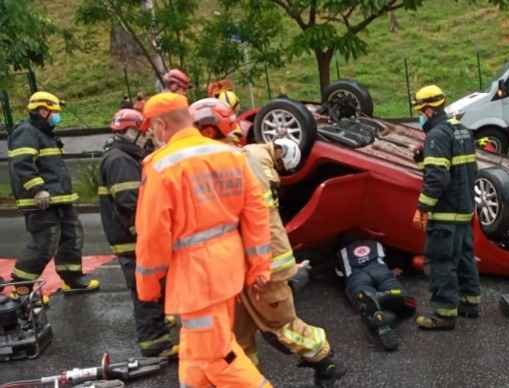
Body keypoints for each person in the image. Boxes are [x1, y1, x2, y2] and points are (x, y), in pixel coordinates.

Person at [189, 98, 346, 387]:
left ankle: (326, 360)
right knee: (238, 336)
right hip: (241, 267)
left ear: (209, 132)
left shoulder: (237, 162)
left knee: (281, 326)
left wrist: (257, 267)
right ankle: (246, 380)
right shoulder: (245, 155)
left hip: (263, 266)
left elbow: (248, 219)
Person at [135, 92, 273, 387]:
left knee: (217, 357)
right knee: (195, 354)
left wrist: (148, 285)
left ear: (161, 125)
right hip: (227, 271)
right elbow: (256, 214)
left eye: (152, 129)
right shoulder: (231, 155)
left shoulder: (161, 167)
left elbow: (152, 234)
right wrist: (259, 266)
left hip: (196, 279)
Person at [98, 109, 176, 357]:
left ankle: (158, 327)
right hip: (133, 239)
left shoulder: (121, 156)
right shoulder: (120, 160)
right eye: (143, 133)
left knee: (152, 286)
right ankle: (154, 343)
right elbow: (131, 201)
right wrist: (146, 233)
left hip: (132, 237)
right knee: (146, 289)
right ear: (131, 132)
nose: (146, 138)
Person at [8, 91, 99, 296]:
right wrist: (38, 189)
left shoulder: (45, 133)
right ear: (42, 110)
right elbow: (22, 164)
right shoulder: (26, 131)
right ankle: (22, 288)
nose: (57, 116)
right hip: (41, 201)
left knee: (72, 237)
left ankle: (73, 280)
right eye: (54, 112)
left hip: (59, 199)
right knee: (44, 243)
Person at [411, 85, 481, 330]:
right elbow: (464, 170)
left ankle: (444, 313)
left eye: (420, 111)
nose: (421, 116)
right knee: (464, 257)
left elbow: (437, 178)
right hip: (463, 209)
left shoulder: (437, 135)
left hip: (445, 212)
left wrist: (422, 207)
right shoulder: (461, 130)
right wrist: (423, 161)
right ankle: (469, 303)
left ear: (428, 110)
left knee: (441, 261)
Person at [336, 233, 417, 351]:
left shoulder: (341, 253)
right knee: (395, 290)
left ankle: (375, 308)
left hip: (358, 276)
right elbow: (391, 258)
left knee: (362, 298)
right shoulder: (375, 244)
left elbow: (339, 274)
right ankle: (393, 295)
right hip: (380, 271)